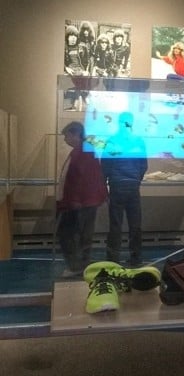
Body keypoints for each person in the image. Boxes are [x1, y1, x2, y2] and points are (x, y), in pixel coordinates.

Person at [56, 121, 108, 277]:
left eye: (67, 136)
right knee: (82, 234)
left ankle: (76, 266)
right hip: (85, 201)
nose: (65, 139)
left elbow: (81, 179)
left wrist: (74, 200)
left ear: (76, 134)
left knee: (71, 234)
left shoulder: (82, 152)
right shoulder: (86, 150)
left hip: (80, 202)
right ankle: (81, 265)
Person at [101, 112, 148, 266]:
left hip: (116, 185)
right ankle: (136, 257)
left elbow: (105, 165)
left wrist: (105, 183)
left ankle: (113, 258)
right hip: (133, 185)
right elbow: (143, 165)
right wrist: (136, 179)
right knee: (135, 224)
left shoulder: (112, 140)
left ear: (119, 122)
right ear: (132, 122)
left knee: (115, 223)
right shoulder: (138, 140)